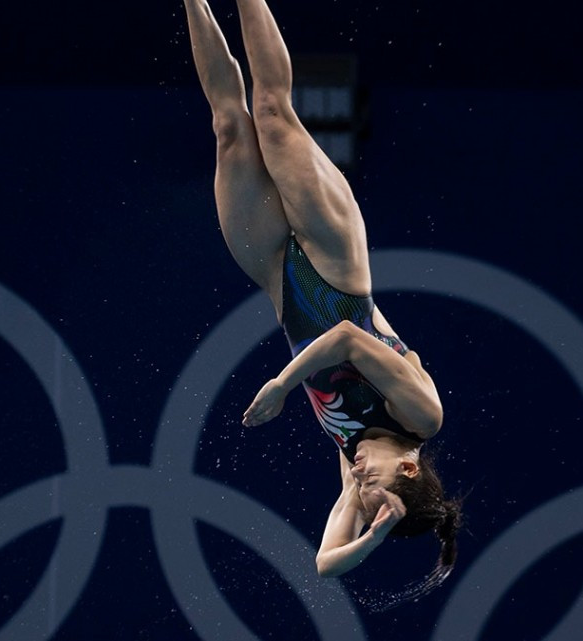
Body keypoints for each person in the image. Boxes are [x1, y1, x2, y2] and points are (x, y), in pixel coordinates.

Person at [182, 0, 462, 588]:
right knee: (271, 111)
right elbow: (345, 339)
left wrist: (375, 530)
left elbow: (323, 563)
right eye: (374, 481)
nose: (359, 478)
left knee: (229, 127)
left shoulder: (357, 467)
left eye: (360, 487)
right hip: (336, 264)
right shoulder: (422, 416)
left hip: (280, 282)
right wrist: (283, 386)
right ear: (408, 466)